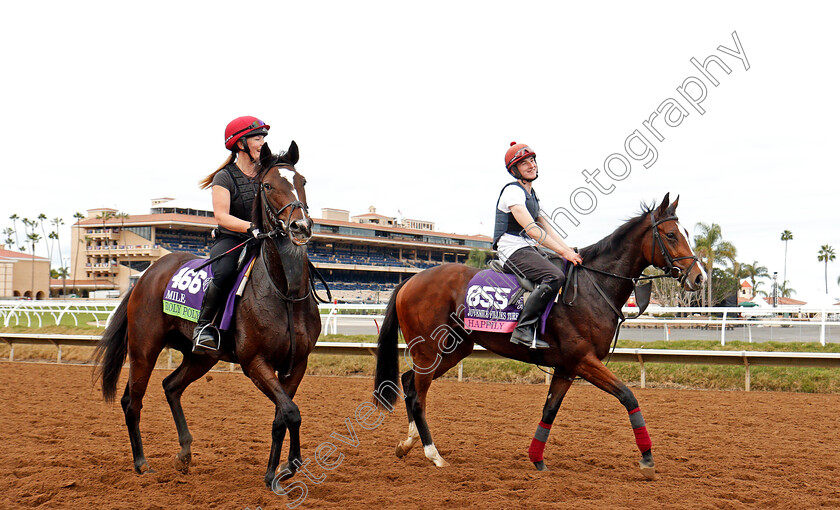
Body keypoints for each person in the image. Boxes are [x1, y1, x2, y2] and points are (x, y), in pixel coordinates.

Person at [493, 141, 583, 349]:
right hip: (511, 250)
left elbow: (547, 229)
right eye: (524, 163)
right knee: (554, 276)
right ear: (515, 170)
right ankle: (523, 329)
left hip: (527, 248)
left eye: (532, 160)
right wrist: (563, 251)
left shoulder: (532, 195)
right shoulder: (512, 193)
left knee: (563, 266)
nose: (531, 165)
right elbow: (533, 230)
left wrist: (567, 251)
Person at [193, 116, 270, 352]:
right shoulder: (224, 177)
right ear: (240, 144)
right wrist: (251, 227)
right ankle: (204, 328)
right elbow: (222, 216)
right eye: (257, 138)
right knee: (225, 272)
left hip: (264, 239)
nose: (262, 143)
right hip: (232, 240)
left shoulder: (268, 173)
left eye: (264, 138)